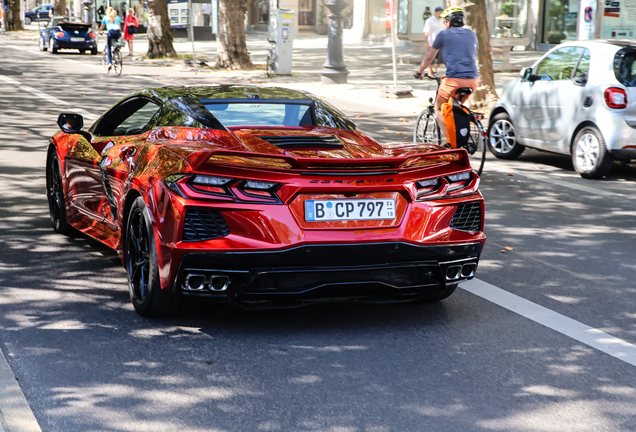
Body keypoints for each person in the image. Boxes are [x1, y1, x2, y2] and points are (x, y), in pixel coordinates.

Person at [414, 6, 479, 142]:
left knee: (438, 107)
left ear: (449, 22)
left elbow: (429, 57)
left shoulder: (443, 34)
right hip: (473, 81)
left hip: (453, 81)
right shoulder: (472, 33)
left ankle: (449, 140)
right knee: (455, 108)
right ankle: (460, 139)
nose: (444, 24)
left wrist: (419, 72)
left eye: (445, 21)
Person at [423, 6, 445, 77]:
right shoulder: (429, 20)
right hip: (432, 43)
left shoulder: (442, 21)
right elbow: (426, 33)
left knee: (441, 60)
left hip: (441, 43)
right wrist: (427, 43)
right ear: (437, 12)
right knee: (430, 59)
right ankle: (430, 73)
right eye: (441, 12)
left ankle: (435, 69)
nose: (441, 14)